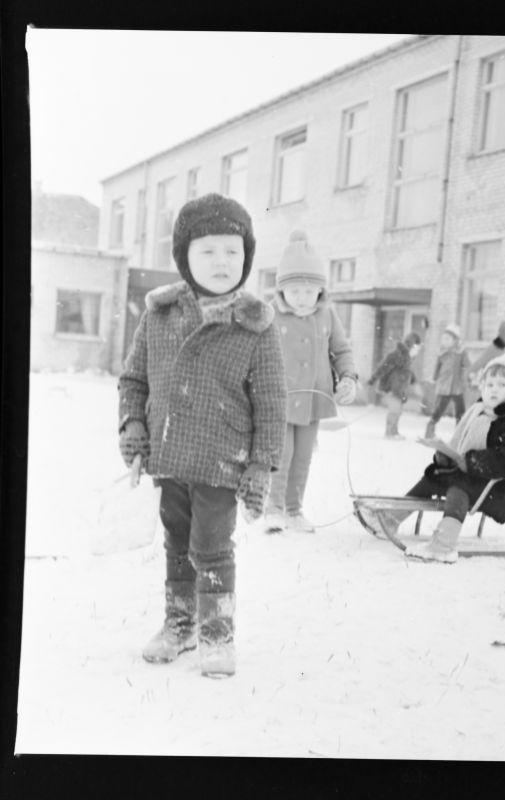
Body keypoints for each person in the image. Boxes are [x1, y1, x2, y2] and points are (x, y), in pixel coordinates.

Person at [118, 193, 287, 678]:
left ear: (247, 259)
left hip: (221, 458)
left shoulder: (254, 325)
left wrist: (259, 466)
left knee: (211, 545)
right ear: (184, 257)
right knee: (176, 543)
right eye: (208, 250)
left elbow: (273, 405)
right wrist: (133, 425)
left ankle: (217, 635)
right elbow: (134, 380)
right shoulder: (160, 314)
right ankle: (180, 624)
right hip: (170, 455)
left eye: (233, 252)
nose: (221, 262)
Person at [362, 348, 505, 563]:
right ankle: (392, 520)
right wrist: (447, 456)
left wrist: (470, 461)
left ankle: (443, 545)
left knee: (462, 484)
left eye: (503, 385)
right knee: (435, 476)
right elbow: (463, 446)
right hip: (485, 479)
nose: (494, 390)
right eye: (490, 384)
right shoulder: (480, 412)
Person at [264, 230, 358, 534]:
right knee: (282, 454)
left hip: (314, 397)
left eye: (309, 291)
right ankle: (273, 508)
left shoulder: (327, 315)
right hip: (280, 398)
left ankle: (294, 509)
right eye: (295, 291)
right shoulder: (270, 315)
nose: (303, 298)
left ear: (320, 290)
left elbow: (341, 350)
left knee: (303, 457)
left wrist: (348, 378)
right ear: (281, 291)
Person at [367, 332, 422, 439]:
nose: (417, 351)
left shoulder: (408, 359)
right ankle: (389, 433)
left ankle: (394, 432)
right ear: (410, 345)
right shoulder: (395, 355)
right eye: (416, 348)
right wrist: (372, 380)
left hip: (401, 390)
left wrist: (415, 383)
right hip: (391, 387)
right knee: (394, 411)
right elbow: (382, 367)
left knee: (398, 411)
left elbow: (410, 373)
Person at [424, 323, 471, 438]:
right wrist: (434, 378)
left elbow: (467, 365)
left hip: (457, 387)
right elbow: (437, 367)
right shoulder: (442, 353)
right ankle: (430, 429)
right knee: (439, 409)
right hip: (444, 386)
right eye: (443, 338)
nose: (444, 341)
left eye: (447, 339)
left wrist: (468, 377)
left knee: (460, 410)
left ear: (455, 340)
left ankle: (460, 434)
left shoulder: (460, 352)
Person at [467, 320, 505, 386]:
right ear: (504, 335)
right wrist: (471, 372)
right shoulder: (494, 348)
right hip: (494, 382)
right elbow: (481, 361)